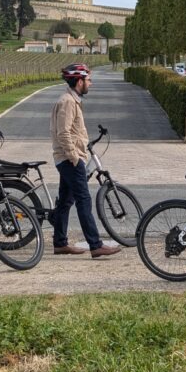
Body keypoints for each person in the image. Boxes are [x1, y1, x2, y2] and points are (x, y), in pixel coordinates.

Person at [50, 64, 120, 258]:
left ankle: (60, 243)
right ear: (79, 81)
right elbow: (63, 133)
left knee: (65, 201)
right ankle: (95, 245)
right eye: (88, 80)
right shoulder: (68, 102)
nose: (91, 83)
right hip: (69, 159)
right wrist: (74, 157)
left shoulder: (72, 100)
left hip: (68, 158)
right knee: (84, 199)